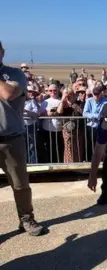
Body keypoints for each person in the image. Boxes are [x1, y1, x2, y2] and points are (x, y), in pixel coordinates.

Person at [0, 41, 46, 236]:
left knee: (20, 184)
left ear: (1, 52)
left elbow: (7, 94)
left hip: (11, 138)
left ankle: (26, 218)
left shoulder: (15, 75)